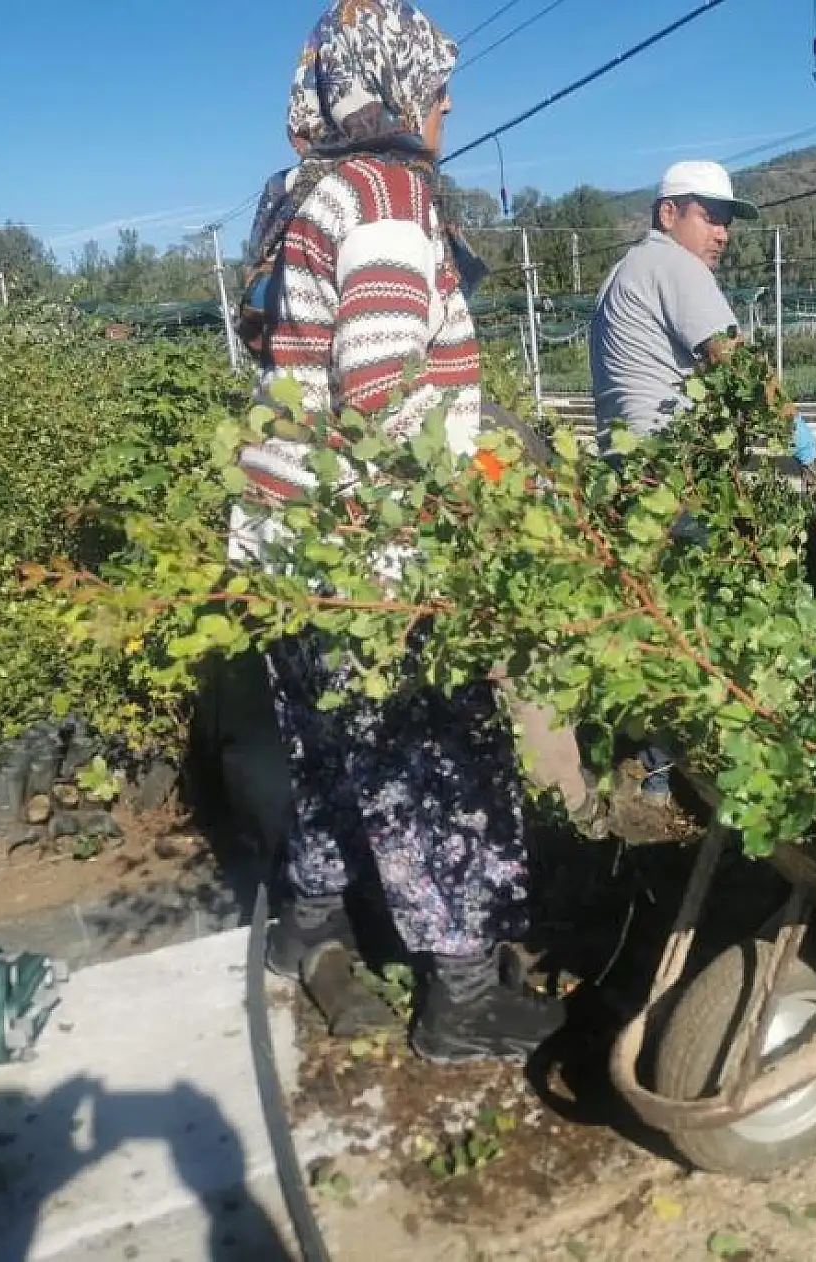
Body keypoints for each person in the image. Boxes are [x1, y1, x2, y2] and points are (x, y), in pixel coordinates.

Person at [235, 0, 563, 1063]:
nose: (447, 109)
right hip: (374, 551)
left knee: (333, 751)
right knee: (439, 761)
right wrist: (482, 501)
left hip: (292, 541)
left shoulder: (307, 193)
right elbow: (383, 394)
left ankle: (309, 928)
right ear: (398, 86)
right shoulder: (382, 197)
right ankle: (460, 996)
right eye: (437, 88)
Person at [589, 160, 816, 798]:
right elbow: (732, 362)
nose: (722, 233)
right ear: (669, 214)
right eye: (709, 216)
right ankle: (696, 769)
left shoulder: (624, 271)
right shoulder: (675, 266)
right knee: (700, 617)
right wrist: (790, 424)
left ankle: (656, 771)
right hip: (673, 472)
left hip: (629, 471)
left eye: (727, 221)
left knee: (655, 615)